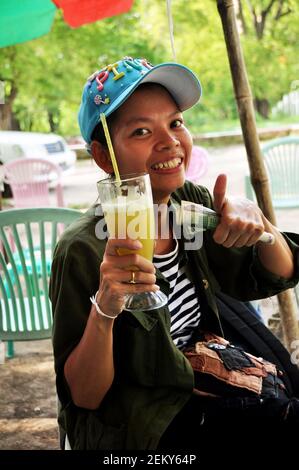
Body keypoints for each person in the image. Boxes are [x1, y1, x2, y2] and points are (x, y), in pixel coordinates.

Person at [50, 56, 299, 454]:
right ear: (102, 156)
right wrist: (106, 307)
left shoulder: (188, 202)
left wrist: (262, 227)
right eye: (142, 131)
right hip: (140, 420)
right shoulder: (83, 249)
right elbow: (86, 396)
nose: (169, 141)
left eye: (176, 123)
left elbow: (278, 273)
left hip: (198, 375)